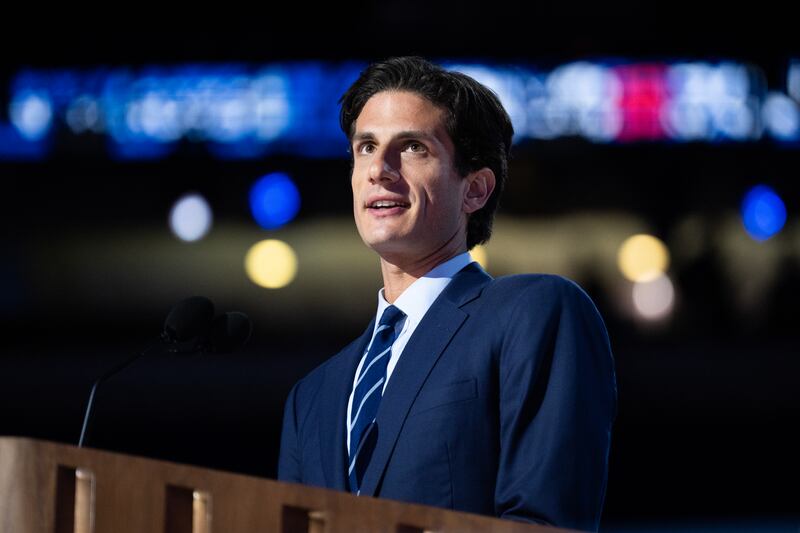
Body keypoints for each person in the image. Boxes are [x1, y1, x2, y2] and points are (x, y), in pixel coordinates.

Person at [278, 56, 617, 531]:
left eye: (412, 146)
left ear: (475, 189)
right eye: (366, 147)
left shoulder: (531, 313)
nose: (379, 169)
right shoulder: (310, 397)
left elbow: (542, 521)